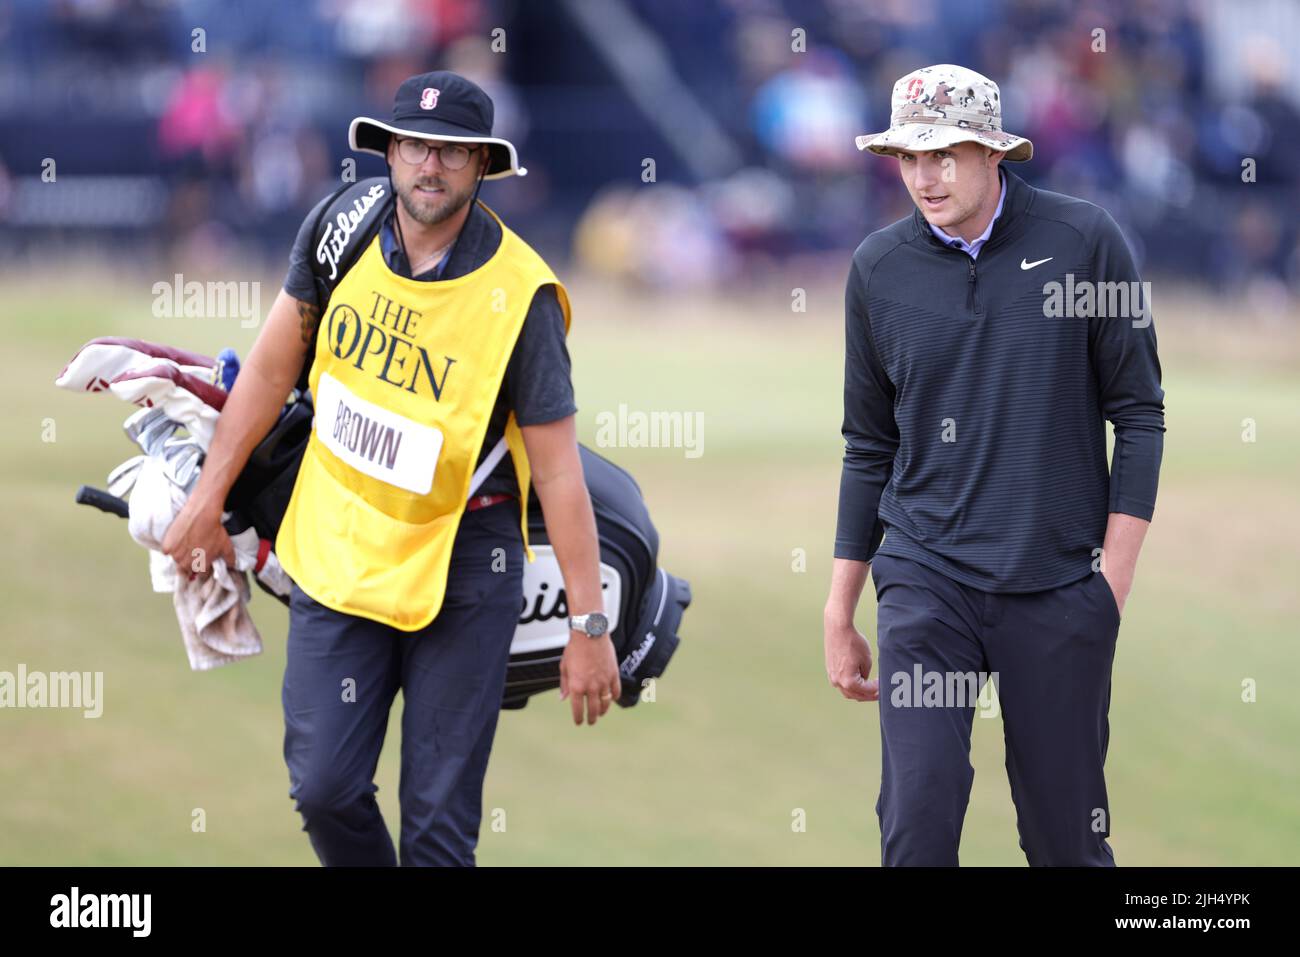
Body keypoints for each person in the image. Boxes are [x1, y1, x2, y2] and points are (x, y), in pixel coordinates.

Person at [161, 70, 621, 866]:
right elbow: (270, 372)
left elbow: (558, 474)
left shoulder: (524, 296)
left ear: (483, 167)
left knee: (439, 831)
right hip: (336, 546)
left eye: (449, 152)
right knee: (323, 788)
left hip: (468, 565)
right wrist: (206, 502)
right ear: (389, 152)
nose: (428, 165)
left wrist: (589, 627)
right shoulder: (340, 224)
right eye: (412, 145)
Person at [822, 64, 1165, 866]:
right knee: (919, 822)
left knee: (1064, 841)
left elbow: (1139, 413)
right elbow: (868, 442)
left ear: (993, 154)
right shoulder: (878, 268)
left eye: (944, 154)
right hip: (924, 578)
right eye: (909, 157)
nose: (925, 176)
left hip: (1056, 586)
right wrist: (841, 607)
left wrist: (1108, 587)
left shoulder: (1085, 242)